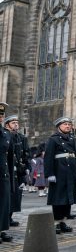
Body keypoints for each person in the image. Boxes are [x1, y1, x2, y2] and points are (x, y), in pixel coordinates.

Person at [45, 116, 76, 234]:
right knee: (58, 199)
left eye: (69, 124)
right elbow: (48, 158)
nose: (67, 126)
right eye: (65, 124)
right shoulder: (53, 139)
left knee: (68, 198)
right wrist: (49, 173)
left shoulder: (73, 139)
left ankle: (63, 222)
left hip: (71, 172)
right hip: (59, 172)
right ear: (59, 126)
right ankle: (56, 223)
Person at [5, 115, 29, 227]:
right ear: (7, 125)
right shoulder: (5, 136)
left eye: (16, 122)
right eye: (13, 122)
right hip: (7, 170)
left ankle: (9, 218)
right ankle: (5, 219)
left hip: (18, 171)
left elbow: (25, 154)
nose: (16, 124)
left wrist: (26, 169)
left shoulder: (21, 137)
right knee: (7, 196)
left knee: (15, 196)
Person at [0, 102, 15, 243]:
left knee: (4, 203)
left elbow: (9, 157)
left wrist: (11, 177)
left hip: (3, 173)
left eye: (2, 114)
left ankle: (2, 229)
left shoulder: (6, 134)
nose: (0, 117)